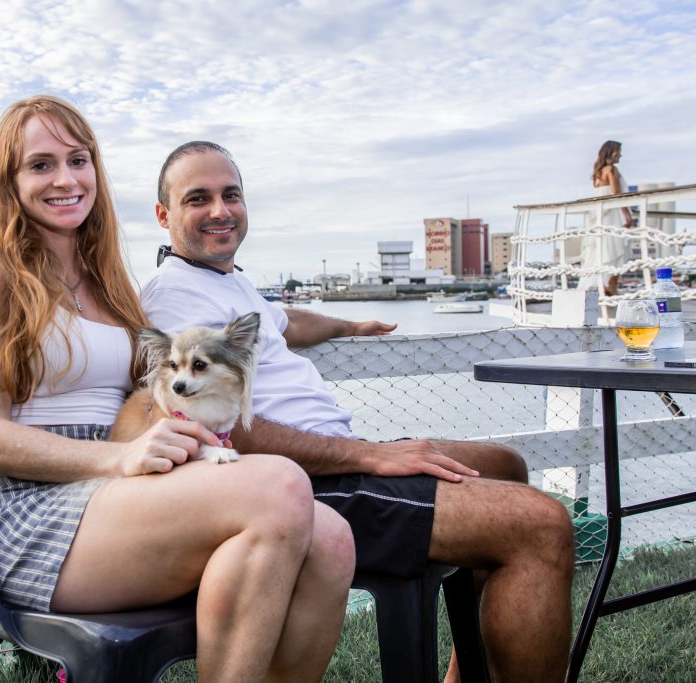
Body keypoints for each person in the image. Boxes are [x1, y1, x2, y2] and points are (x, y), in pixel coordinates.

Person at [0, 99, 355, 682]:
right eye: (40, 165)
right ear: (9, 181)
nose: (65, 179)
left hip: (127, 491)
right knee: (281, 483)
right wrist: (120, 457)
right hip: (33, 511)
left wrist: (168, 427)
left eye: (78, 160)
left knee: (331, 538)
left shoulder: (108, 282)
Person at [142, 141, 576, 683]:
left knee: (504, 465)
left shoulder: (226, 281)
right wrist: (370, 456)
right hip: (293, 489)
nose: (220, 210)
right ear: (163, 215)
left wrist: (350, 326)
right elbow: (227, 435)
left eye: (231, 195)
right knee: (541, 524)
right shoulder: (175, 295)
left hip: (331, 463)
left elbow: (285, 321)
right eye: (197, 199)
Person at [578, 140, 634, 295]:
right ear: (611, 152)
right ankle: (611, 286)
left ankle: (603, 286)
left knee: (602, 250)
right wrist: (627, 214)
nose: (620, 155)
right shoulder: (611, 170)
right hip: (613, 214)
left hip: (600, 216)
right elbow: (616, 193)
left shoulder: (598, 172)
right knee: (617, 248)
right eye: (618, 152)